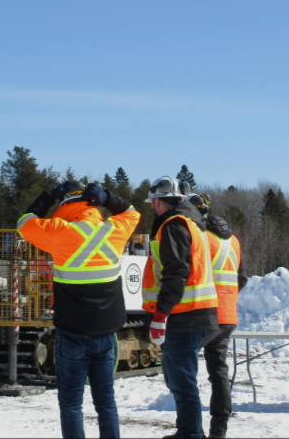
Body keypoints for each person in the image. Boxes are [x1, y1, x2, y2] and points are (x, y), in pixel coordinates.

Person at [17, 180, 140, 439]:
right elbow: (131, 211)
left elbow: (24, 222)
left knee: (71, 405)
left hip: (71, 334)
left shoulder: (59, 231)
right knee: (106, 404)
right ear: (93, 206)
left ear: (65, 206)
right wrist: (107, 197)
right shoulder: (114, 231)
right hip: (106, 335)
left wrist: (48, 196)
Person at [142, 177, 219, 439]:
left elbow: (176, 272)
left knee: (182, 383)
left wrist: (160, 314)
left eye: (153, 201)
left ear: (160, 201)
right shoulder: (192, 223)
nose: (152, 206)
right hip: (196, 313)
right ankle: (189, 431)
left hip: (183, 316)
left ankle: (190, 434)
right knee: (180, 381)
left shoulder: (174, 225)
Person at [188, 193, 248, 439]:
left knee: (183, 371)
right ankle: (219, 431)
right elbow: (242, 278)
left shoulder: (202, 239)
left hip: (204, 314)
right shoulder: (233, 241)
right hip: (228, 316)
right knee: (219, 374)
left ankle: (190, 428)